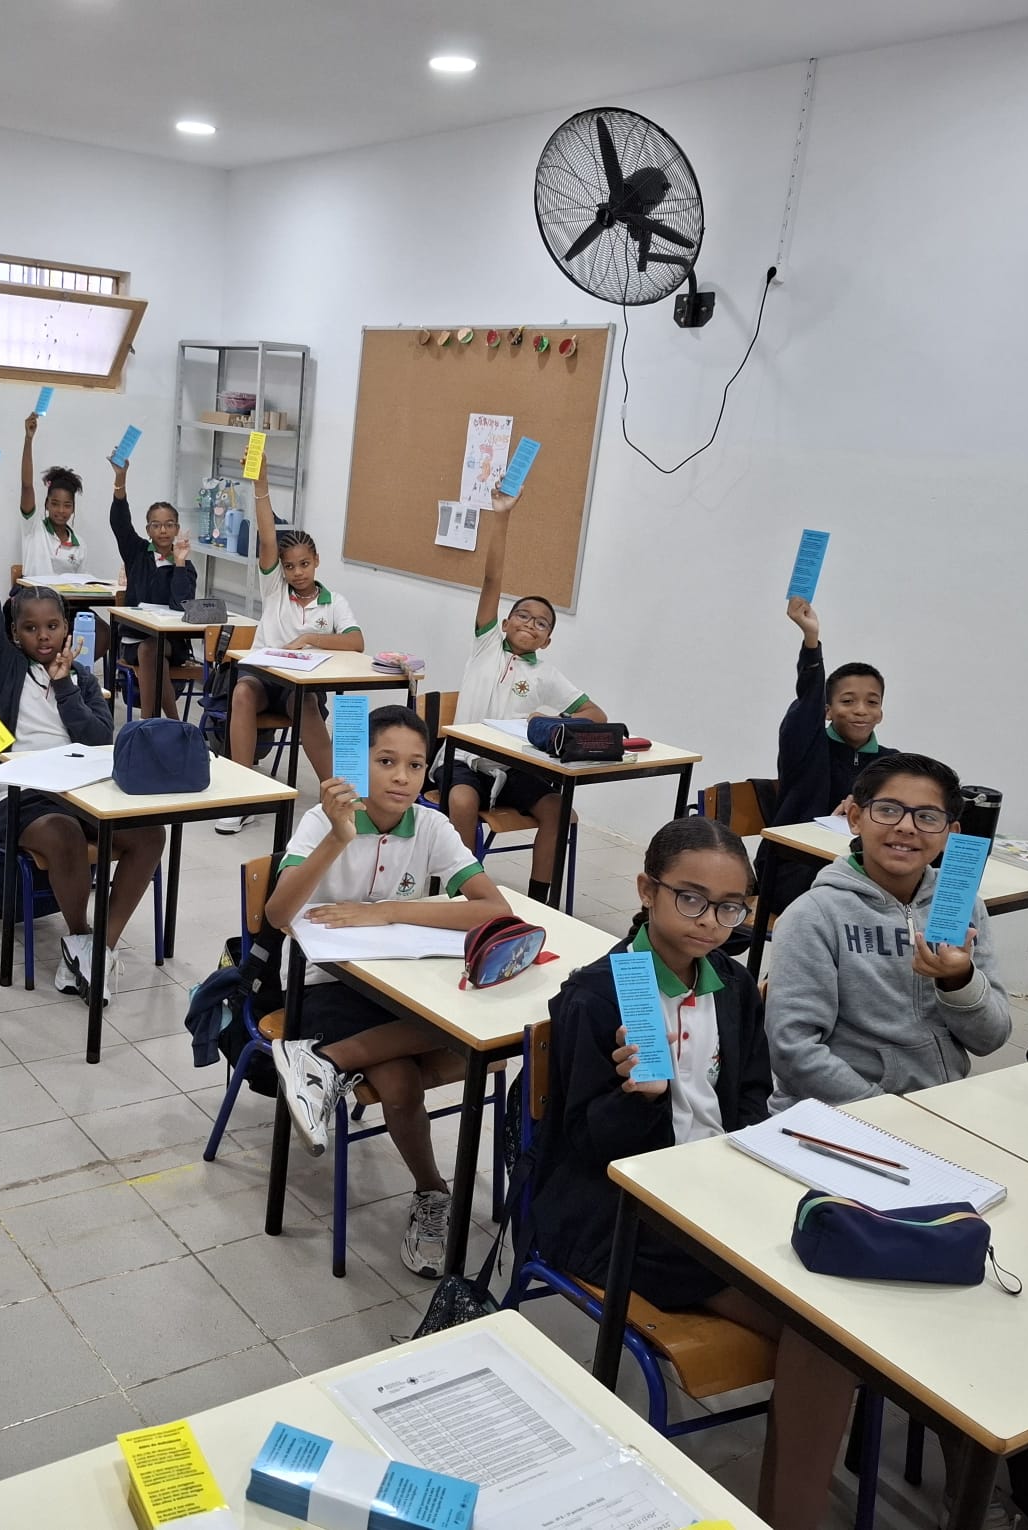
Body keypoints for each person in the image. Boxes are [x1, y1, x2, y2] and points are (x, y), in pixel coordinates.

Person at [529, 816, 857, 1530]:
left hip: (717, 1192)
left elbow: (750, 1095)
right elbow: (585, 1147)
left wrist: (751, 1171)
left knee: (846, 1284)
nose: (711, 921)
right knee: (826, 1336)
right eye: (691, 899)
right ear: (646, 890)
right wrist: (637, 1099)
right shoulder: (599, 995)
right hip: (623, 1211)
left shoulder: (731, 984)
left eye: (732, 907)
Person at [268, 705, 512, 1278]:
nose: (403, 777)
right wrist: (338, 837)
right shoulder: (321, 820)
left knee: (477, 1024)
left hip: (401, 984)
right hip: (324, 981)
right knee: (402, 1078)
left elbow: (492, 908)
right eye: (386, 762)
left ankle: (324, 1063)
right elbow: (278, 913)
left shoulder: (429, 825)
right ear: (360, 764)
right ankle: (432, 1192)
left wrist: (388, 911)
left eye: (416, 765)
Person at [0, 477, 163, 1000]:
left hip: (77, 788)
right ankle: (81, 936)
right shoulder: (0, 668)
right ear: (14, 633)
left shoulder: (81, 678)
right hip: (14, 794)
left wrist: (66, 685)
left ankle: (95, 951)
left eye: (52, 626)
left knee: (150, 834)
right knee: (63, 834)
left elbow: (99, 739)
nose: (43, 636)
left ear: (66, 629)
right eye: (31, 628)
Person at [764, 752, 1011, 1110]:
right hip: (835, 1114)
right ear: (855, 818)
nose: (907, 827)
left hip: (935, 1105)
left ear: (951, 834)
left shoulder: (961, 906)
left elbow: (991, 1038)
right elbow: (793, 1051)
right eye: (888, 810)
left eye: (927, 817)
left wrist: (959, 980)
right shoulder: (814, 915)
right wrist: (886, 1112)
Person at [445, 489, 607, 904]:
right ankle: (468, 896)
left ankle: (539, 901)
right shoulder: (485, 646)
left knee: (558, 809)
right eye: (522, 615)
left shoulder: (546, 674)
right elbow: (492, 581)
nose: (530, 624)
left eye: (541, 623)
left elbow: (597, 715)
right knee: (461, 800)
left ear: (547, 640)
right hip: (464, 761)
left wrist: (555, 724)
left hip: (513, 768)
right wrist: (501, 516)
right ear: (503, 623)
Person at [216, 453, 363, 832]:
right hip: (263, 679)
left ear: (317, 561)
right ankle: (243, 797)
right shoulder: (275, 589)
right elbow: (268, 537)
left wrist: (311, 638)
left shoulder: (334, 602)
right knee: (242, 693)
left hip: (301, 686)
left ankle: (343, 801)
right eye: (289, 566)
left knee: (307, 705)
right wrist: (261, 485)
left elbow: (356, 641)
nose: (297, 573)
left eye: (304, 564)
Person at [756, 598, 896, 920]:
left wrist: (867, 803)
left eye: (871, 702)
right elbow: (807, 700)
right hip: (792, 869)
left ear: (881, 714)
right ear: (827, 711)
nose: (860, 710)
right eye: (847, 701)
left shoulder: (890, 765)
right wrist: (811, 640)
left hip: (855, 874)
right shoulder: (806, 747)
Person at [107, 454, 194, 720]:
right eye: (156, 525)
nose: (163, 531)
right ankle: (170, 722)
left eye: (169, 525)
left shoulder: (186, 566)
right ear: (148, 530)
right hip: (135, 640)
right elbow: (120, 523)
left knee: (155, 650)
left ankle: (150, 723)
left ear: (177, 529)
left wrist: (179, 563)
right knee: (150, 652)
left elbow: (181, 606)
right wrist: (120, 479)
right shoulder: (136, 553)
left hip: (172, 644)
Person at [18, 412, 90, 580]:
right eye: (55, 503)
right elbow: (27, 486)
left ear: (73, 508)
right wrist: (28, 439)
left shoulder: (80, 545)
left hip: (66, 598)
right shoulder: (33, 528)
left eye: (67, 505)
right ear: (47, 504)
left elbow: (83, 585)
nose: (61, 510)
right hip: (34, 595)